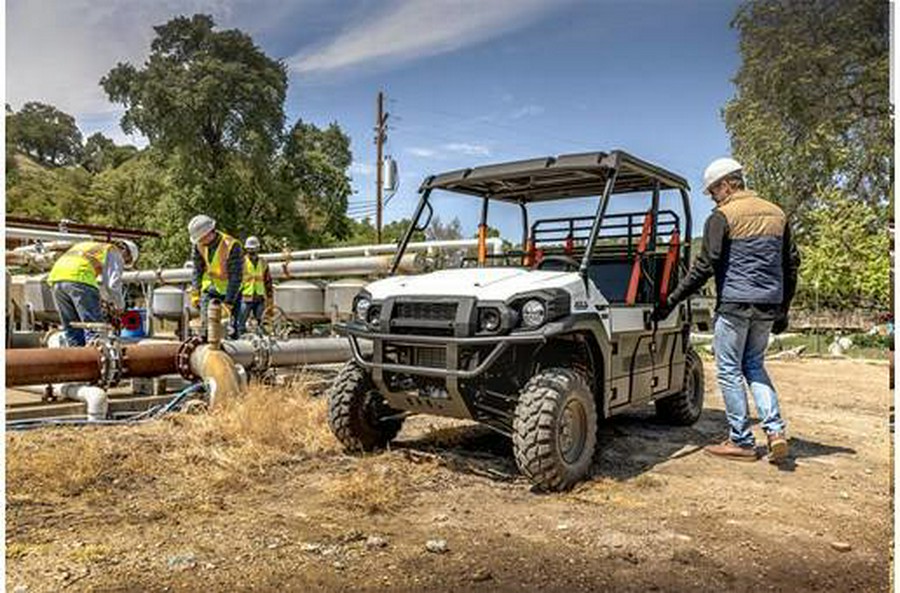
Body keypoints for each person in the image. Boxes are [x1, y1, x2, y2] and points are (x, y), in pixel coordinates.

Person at [652, 157, 800, 463]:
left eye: (713, 191)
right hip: (768, 303)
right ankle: (775, 432)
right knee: (755, 366)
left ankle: (742, 441)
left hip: (735, 304)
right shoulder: (778, 214)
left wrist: (671, 299)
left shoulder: (723, 216)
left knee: (730, 370)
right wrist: (783, 309)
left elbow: (705, 266)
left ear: (727, 185)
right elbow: (791, 265)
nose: (713, 197)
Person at [48, 239, 139, 346]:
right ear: (125, 251)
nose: (122, 263)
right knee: (94, 329)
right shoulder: (113, 250)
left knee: (72, 329)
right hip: (80, 278)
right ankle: (94, 358)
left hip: (56, 280)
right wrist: (120, 306)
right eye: (126, 261)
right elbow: (112, 284)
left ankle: (77, 357)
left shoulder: (88, 246)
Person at [188, 214, 243, 340]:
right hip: (210, 290)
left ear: (209, 233)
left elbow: (236, 277)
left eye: (201, 238)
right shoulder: (198, 244)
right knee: (207, 328)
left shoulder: (232, 245)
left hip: (232, 293)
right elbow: (197, 269)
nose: (199, 242)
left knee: (232, 331)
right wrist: (195, 292)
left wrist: (228, 304)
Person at [238, 235, 274, 336]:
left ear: (258, 249)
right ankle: (240, 342)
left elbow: (268, 281)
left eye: (254, 249)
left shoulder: (263, 263)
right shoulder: (242, 263)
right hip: (246, 297)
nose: (252, 251)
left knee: (261, 324)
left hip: (259, 297)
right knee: (240, 323)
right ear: (246, 249)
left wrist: (270, 297)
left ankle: (263, 344)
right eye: (250, 249)